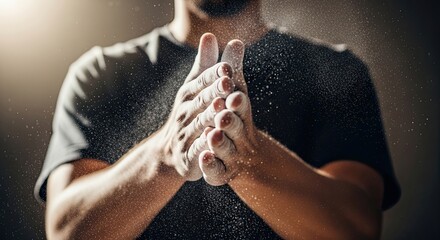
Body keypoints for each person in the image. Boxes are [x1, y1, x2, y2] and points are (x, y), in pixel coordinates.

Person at [35, 0, 400, 239]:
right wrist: (165, 156)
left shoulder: (335, 72)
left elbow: (357, 229)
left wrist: (250, 161)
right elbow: (67, 231)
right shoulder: (100, 73)